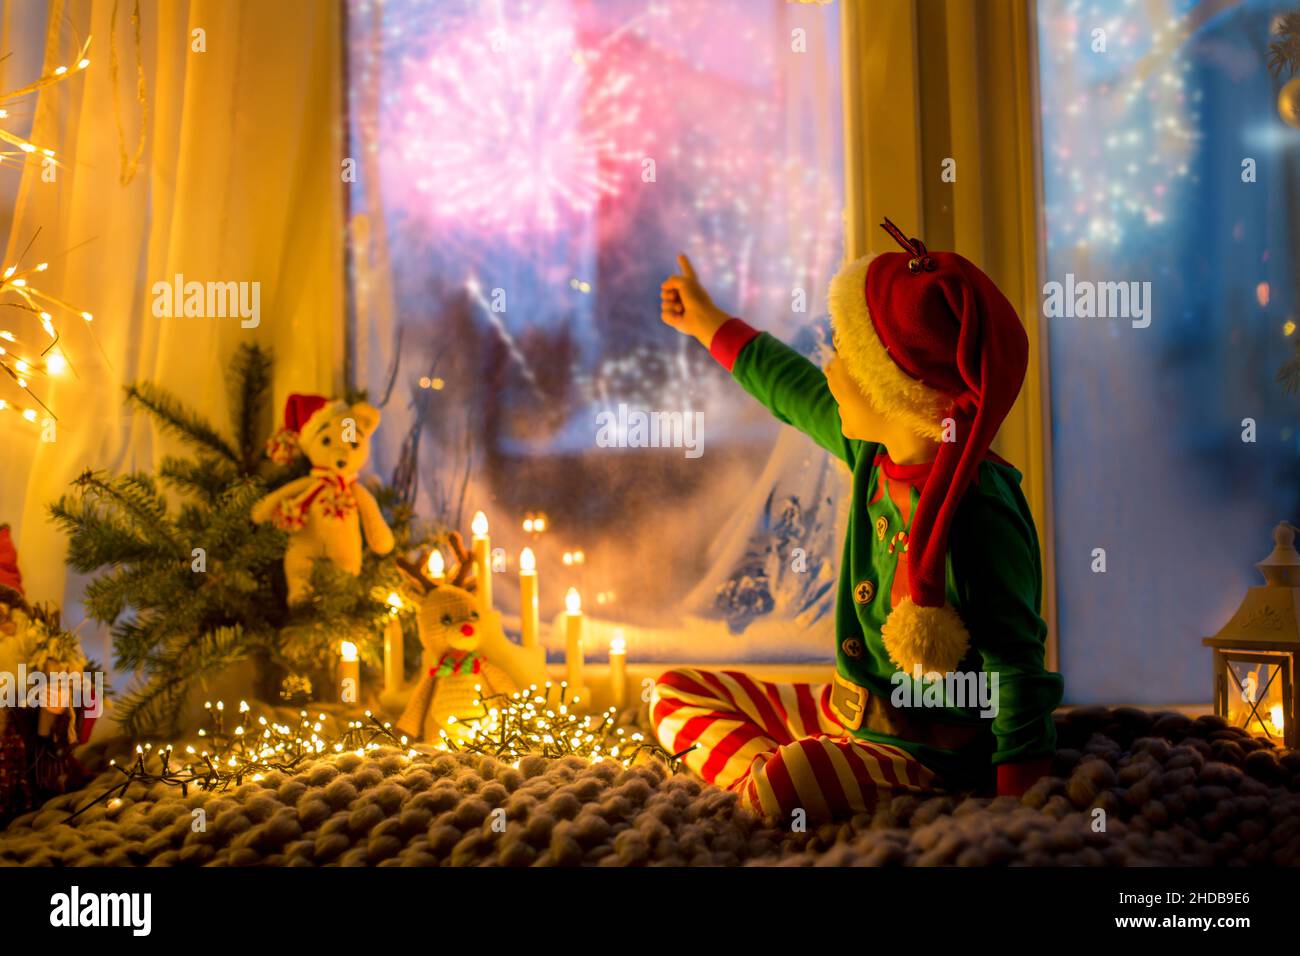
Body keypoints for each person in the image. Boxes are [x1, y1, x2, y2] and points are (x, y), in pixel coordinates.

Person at [651, 222, 1064, 822]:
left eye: (845, 356)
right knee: (672, 691)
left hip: (931, 755)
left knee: (787, 786)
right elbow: (787, 387)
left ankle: (791, 782)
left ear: (898, 393)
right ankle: (793, 775)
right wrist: (706, 320)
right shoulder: (873, 453)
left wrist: (1019, 810)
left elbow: (1017, 671)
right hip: (847, 711)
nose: (828, 368)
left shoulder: (982, 511)